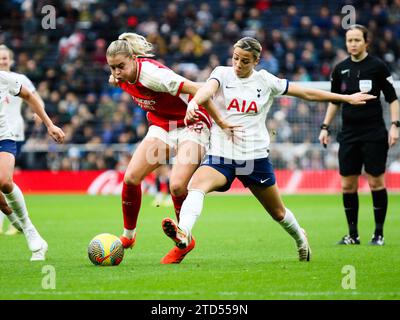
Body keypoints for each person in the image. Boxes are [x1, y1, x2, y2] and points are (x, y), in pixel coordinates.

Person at [160, 36, 375, 263]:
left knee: (278, 213)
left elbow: (307, 93)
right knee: (195, 186)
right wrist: (194, 103)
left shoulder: (266, 81)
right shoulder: (221, 74)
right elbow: (206, 91)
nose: (238, 64)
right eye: (235, 58)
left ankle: (301, 238)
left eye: (245, 61)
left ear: (256, 61)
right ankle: (184, 232)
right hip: (221, 155)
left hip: (254, 158)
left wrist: (344, 98)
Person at [105, 33, 237, 264]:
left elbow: (200, 89)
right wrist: (117, 76)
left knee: (176, 186)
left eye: (120, 67)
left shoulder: (154, 75)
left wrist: (220, 121)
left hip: (191, 124)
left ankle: (184, 240)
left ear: (134, 59)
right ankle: (128, 237)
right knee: (131, 178)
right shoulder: (122, 76)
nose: (116, 73)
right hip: (162, 126)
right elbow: (118, 76)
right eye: (112, 68)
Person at [319, 24, 399, 246]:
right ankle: (352, 235)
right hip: (349, 135)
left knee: (375, 182)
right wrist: (324, 127)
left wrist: (395, 125)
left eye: (357, 40)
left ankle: (379, 234)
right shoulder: (340, 69)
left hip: (373, 133)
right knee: (347, 185)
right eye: (349, 40)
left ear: (366, 42)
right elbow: (334, 101)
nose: (352, 44)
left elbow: (392, 98)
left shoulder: (378, 67)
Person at [0, 70, 65, 260]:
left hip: (4, 138)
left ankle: (29, 231)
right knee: (3, 205)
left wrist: (49, 125)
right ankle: (19, 223)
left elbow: (28, 95)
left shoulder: (4, 78)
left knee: (4, 181)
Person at [0, 44, 45, 236]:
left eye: (5, 58)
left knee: (5, 178)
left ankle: (13, 221)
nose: (3, 61)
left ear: (11, 60)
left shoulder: (19, 79)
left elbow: (34, 97)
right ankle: (14, 220)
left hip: (12, 133)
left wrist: (39, 114)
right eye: (0, 58)